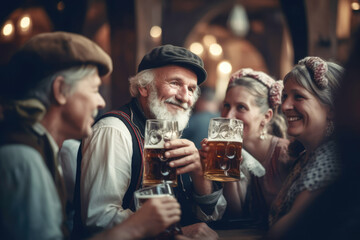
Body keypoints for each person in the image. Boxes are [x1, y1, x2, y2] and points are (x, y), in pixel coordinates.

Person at [0, 31, 181, 240]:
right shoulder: (22, 159)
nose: (101, 102)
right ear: (60, 90)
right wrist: (137, 226)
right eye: (95, 89)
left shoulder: (45, 148)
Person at [73, 45, 225, 238]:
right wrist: (174, 233)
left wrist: (199, 173)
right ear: (143, 87)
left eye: (191, 89)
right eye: (175, 83)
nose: (185, 97)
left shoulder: (168, 132)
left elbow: (213, 215)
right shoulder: (113, 130)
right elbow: (99, 219)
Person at [266, 56, 344, 238]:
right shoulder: (308, 156)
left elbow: (287, 232)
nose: (284, 106)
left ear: (332, 109)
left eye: (298, 97)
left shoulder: (331, 159)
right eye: (285, 96)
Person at [205, 68, 292, 228]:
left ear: (266, 117)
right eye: (226, 105)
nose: (228, 115)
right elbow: (235, 216)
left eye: (241, 107)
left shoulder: (285, 154)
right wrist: (227, 171)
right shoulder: (229, 150)